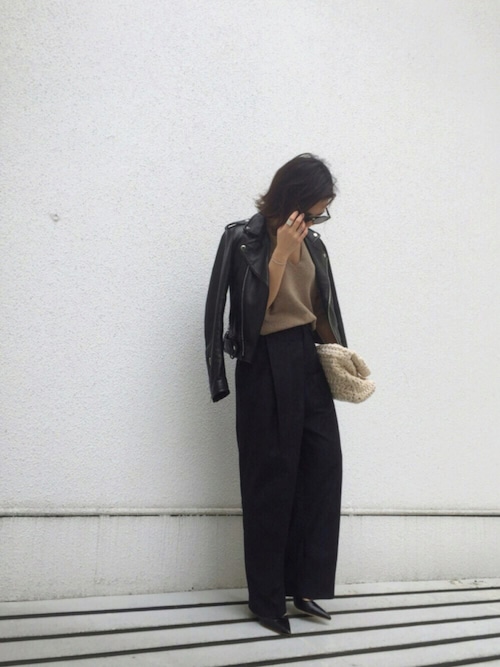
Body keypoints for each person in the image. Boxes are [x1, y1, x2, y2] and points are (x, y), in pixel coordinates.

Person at [204, 153, 347, 635]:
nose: (318, 220)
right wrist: (282, 252)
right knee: (271, 479)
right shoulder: (241, 239)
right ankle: (267, 600)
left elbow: (322, 307)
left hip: (308, 360)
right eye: (315, 210)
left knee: (321, 471)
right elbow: (239, 316)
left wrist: (340, 355)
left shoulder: (316, 245)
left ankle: (304, 585)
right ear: (293, 200)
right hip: (264, 361)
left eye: (322, 213)